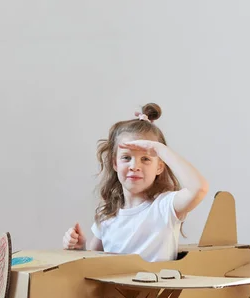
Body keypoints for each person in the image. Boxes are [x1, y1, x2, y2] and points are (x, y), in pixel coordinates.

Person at [62, 102, 209, 262]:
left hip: (156, 287)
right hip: (117, 287)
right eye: (126, 157)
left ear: (160, 166)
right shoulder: (106, 214)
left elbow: (199, 188)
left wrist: (160, 149)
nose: (134, 166)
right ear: (115, 163)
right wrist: (80, 248)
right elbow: (95, 261)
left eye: (145, 158)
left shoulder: (165, 207)